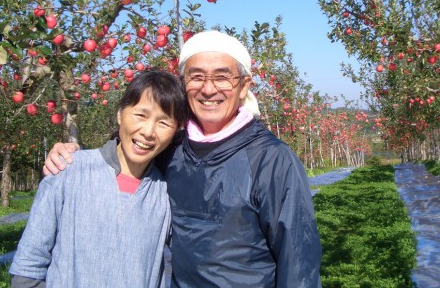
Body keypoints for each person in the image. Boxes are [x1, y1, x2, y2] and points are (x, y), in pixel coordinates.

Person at [43, 30, 323, 287]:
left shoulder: (271, 161)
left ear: (244, 85)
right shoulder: (172, 149)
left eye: (223, 77)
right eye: (197, 76)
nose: (208, 89)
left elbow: (298, 260)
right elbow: (130, 150)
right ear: (183, 82)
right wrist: (73, 156)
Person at [11, 70, 189, 288]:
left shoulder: (166, 194)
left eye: (163, 122)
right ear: (120, 114)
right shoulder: (68, 172)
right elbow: (27, 269)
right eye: (140, 115)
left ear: (175, 131)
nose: (148, 131)